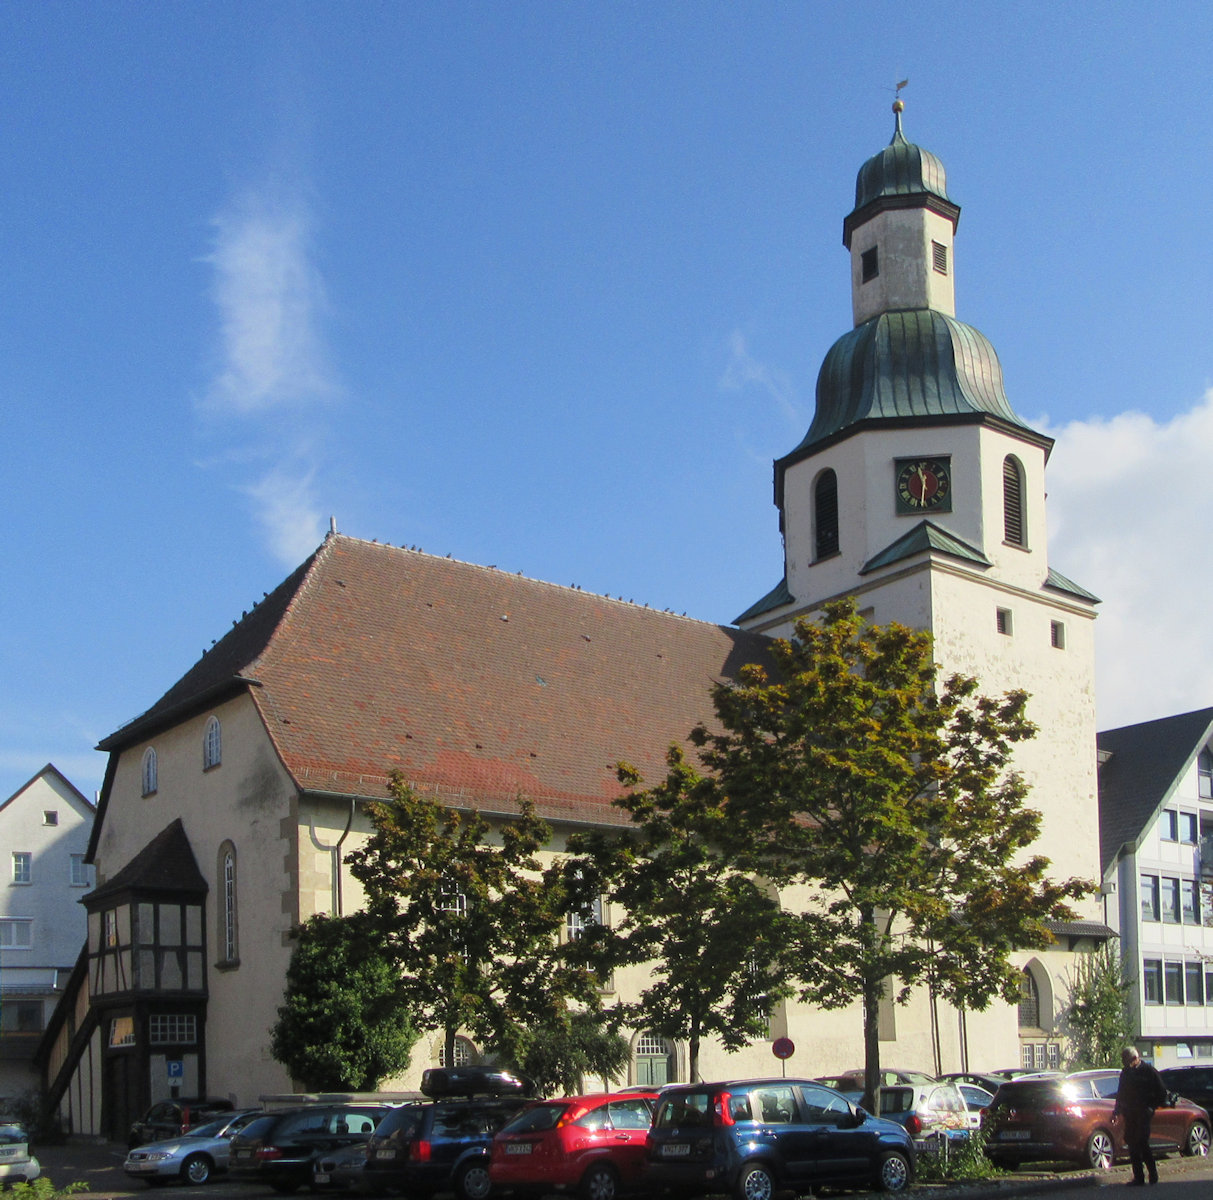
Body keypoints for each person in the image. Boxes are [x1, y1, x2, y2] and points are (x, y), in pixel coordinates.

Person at [1113, 1046, 1169, 1185]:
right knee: (1132, 1142)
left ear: (1134, 1058)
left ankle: (1153, 1173)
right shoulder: (1125, 1073)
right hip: (1130, 1112)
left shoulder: (1148, 1071)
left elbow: (1161, 1092)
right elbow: (1121, 1094)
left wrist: (1151, 1106)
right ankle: (1138, 1177)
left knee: (1142, 1141)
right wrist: (1116, 1111)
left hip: (1144, 1111)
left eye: (1125, 1060)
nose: (1124, 1063)